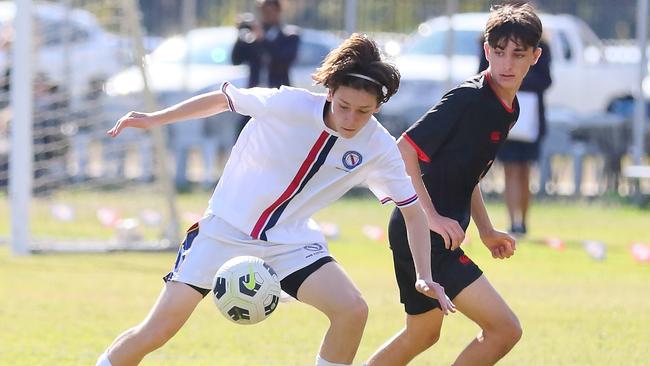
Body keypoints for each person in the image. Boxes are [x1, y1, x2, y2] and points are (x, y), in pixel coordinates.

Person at [96, 34, 454, 366]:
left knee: (352, 311)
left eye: (364, 111)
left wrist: (424, 275)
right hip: (223, 231)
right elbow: (224, 98)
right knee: (157, 331)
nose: (351, 119)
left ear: (377, 107)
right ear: (330, 91)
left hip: (290, 242)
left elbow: (412, 211)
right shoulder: (288, 103)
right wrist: (154, 119)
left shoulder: (378, 146)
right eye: (345, 105)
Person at [367, 3, 543, 365]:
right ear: (486, 51)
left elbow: (469, 174)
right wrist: (430, 217)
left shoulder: (508, 107)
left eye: (517, 54)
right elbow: (404, 149)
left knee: (422, 334)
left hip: (426, 230)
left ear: (535, 57)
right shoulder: (470, 97)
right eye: (498, 52)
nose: (506, 63)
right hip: (424, 234)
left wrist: (487, 229)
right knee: (504, 329)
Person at [479, 36, 552, 236]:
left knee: (525, 170)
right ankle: (513, 222)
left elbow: (545, 80)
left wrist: (516, 77)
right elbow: (482, 75)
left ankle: (524, 221)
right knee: (510, 169)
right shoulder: (490, 41)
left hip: (531, 120)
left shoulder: (540, 44)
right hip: (503, 113)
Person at [231, 0, 300, 134]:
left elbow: (281, 59)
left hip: (279, 97)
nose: (267, 15)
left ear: (278, 11)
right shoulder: (252, 36)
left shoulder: (290, 36)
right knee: (243, 133)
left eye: (270, 11)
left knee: (279, 135)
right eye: (264, 11)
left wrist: (262, 39)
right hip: (253, 96)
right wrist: (240, 35)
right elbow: (236, 59)